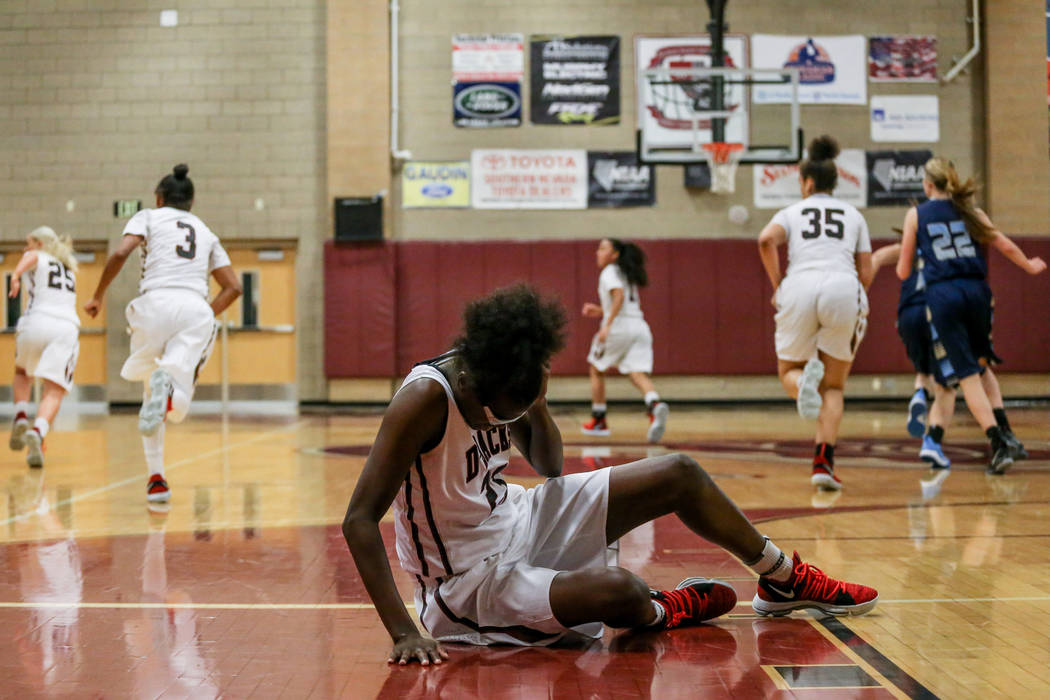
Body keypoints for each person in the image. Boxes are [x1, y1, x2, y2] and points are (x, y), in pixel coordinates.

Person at [342, 284, 878, 666]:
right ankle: (662, 608)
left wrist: (538, 404)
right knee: (621, 591)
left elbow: (550, 467)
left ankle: (783, 578)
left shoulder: (506, 369)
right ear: (477, 384)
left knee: (679, 473)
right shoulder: (421, 400)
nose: (503, 423)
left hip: (517, 519)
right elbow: (359, 520)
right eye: (502, 411)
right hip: (463, 587)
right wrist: (402, 633)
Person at [85, 164, 241, 503]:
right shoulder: (205, 230)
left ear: (158, 198)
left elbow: (120, 252)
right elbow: (234, 287)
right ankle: (169, 390)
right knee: (178, 406)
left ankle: (157, 479)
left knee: (150, 396)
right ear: (192, 202)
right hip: (193, 308)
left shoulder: (148, 217)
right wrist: (199, 317)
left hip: (151, 305)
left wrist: (97, 294)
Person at [896, 157, 1045, 474]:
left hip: (944, 296)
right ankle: (1007, 433)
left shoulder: (916, 214)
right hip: (978, 291)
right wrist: (1029, 266)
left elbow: (903, 269)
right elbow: (1003, 245)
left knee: (965, 376)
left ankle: (997, 443)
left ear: (927, 185)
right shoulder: (971, 211)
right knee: (981, 366)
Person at [757, 136, 873, 491]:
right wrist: (851, 302)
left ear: (807, 182)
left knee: (789, 370)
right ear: (834, 183)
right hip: (842, 285)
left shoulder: (790, 212)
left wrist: (779, 284)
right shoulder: (853, 214)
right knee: (834, 385)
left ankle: (801, 384)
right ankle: (823, 463)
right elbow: (865, 271)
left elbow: (765, 240)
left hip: (799, 285)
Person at [580, 239, 669, 443]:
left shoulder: (609, 271)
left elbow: (618, 296)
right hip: (639, 326)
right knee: (637, 373)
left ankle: (599, 420)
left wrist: (608, 323)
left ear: (615, 254)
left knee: (596, 368)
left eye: (602, 248)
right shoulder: (625, 273)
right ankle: (654, 405)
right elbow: (622, 302)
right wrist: (601, 310)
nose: (597, 252)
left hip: (619, 327)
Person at [8, 226, 80, 469]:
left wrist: (16, 275)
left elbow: (30, 258)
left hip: (36, 322)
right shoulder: (69, 268)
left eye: (28, 242)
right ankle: (38, 432)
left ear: (39, 244)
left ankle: (20, 415)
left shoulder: (37, 256)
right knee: (55, 389)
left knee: (21, 372)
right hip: (65, 329)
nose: (25, 248)